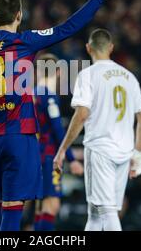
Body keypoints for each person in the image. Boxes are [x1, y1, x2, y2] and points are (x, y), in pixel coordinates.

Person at [0, 0, 121, 231]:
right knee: (13, 209)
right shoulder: (26, 41)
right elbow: (69, 27)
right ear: (19, 15)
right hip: (20, 136)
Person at [54, 28, 141, 231]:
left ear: (88, 48)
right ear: (111, 48)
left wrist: (62, 149)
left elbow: (81, 115)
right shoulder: (129, 76)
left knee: (107, 211)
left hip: (100, 149)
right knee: (96, 212)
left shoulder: (88, 75)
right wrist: (138, 153)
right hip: (124, 151)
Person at [33, 53, 84, 231]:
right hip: (48, 157)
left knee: (41, 205)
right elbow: (57, 130)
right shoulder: (49, 96)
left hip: (34, 156)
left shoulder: (32, 94)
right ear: (57, 72)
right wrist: (72, 159)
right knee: (52, 205)